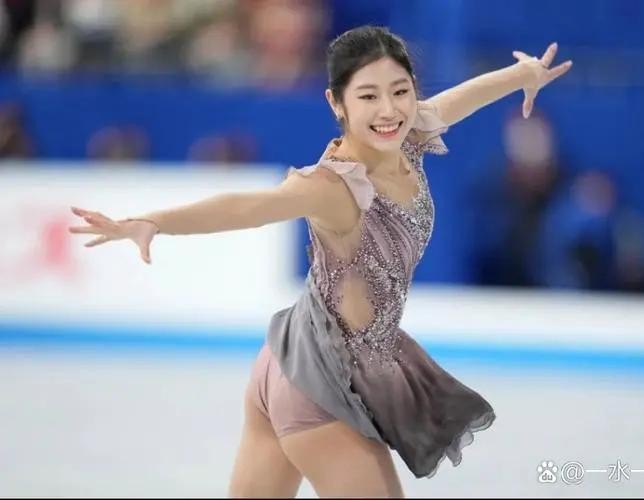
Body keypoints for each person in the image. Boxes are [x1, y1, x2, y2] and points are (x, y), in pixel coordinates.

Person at [68, 26, 571, 498]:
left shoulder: (410, 135)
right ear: (337, 103)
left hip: (287, 361)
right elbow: (248, 207)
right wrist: (155, 221)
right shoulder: (334, 187)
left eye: (400, 91)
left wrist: (522, 74)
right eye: (368, 96)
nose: (388, 109)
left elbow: (461, 98)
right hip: (320, 382)